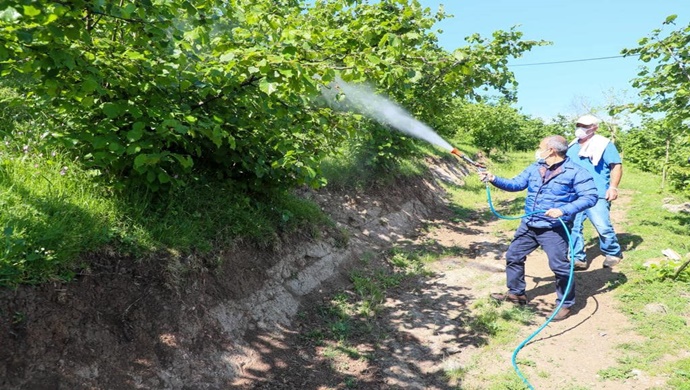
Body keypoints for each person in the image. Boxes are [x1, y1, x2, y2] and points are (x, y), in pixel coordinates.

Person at [479, 135, 598, 321]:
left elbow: (590, 197)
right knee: (513, 256)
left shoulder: (576, 172)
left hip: (554, 229)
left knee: (559, 267)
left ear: (551, 150)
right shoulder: (535, 167)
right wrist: (493, 178)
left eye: (540, 146)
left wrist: (563, 210)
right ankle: (516, 294)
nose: (538, 149)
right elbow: (516, 184)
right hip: (529, 224)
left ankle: (566, 304)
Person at [566, 114, 624, 269]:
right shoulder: (572, 146)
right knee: (573, 227)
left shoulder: (604, 144)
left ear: (595, 127)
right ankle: (577, 257)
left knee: (602, 225)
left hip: (596, 193)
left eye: (585, 126)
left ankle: (612, 252)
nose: (581, 128)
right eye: (579, 125)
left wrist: (613, 187)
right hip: (574, 194)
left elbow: (616, 165)